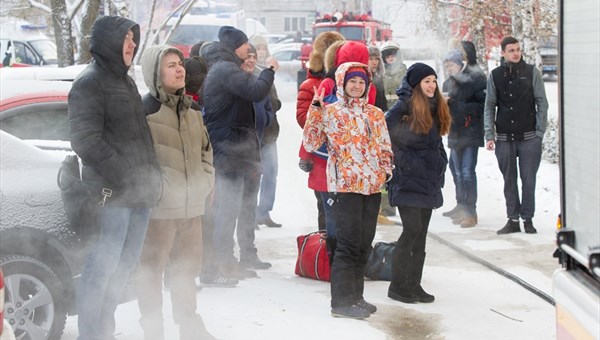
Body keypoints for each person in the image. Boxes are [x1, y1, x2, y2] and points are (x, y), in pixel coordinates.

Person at [67, 16, 162, 340]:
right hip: (111, 197)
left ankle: (104, 332)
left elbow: (138, 138)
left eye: (134, 39)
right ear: (109, 42)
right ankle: (91, 335)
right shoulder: (89, 82)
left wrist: (151, 179)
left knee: (121, 272)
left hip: (137, 197)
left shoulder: (125, 81)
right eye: (127, 39)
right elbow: (85, 140)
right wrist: (126, 177)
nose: (133, 45)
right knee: (101, 271)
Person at [136, 45, 216, 340]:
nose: (180, 69)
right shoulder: (145, 111)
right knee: (151, 272)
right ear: (155, 73)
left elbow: (207, 152)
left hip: (192, 208)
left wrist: (205, 181)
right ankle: (153, 329)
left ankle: (189, 326)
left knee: (186, 271)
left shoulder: (193, 110)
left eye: (180, 63)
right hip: (160, 211)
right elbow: (139, 161)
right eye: (171, 65)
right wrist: (158, 190)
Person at [303, 62, 393, 319]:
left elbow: (385, 146)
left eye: (361, 82)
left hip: (371, 187)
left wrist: (386, 170)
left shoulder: (375, 113)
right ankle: (341, 302)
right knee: (347, 244)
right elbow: (310, 142)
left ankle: (356, 297)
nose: (357, 86)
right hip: (344, 187)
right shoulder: (330, 112)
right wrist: (315, 110)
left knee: (364, 245)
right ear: (342, 83)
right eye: (352, 81)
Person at [200, 26, 278, 284]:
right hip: (227, 152)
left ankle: (229, 261)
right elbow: (256, 92)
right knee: (226, 211)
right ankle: (219, 266)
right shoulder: (225, 69)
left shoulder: (226, 67)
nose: (248, 49)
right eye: (245, 44)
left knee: (236, 208)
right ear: (236, 47)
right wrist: (269, 71)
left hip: (236, 151)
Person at [385, 63, 452, 304]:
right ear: (416, 84)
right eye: (427, 81)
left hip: (428, 179)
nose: (432, 85)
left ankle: (414, 284)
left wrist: (440, 160)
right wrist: (404, 161)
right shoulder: (404, 105)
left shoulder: (436, 106)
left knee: (421, 234)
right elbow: (385, 133)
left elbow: (436, 141)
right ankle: (397, 285)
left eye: (434, 80)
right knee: (411, 230)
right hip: (408, 179)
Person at [483, 36, 548, 235]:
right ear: (503, 53)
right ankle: (512, 219)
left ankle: (528, 218)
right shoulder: (495, 75)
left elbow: (542, 103)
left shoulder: (531, 72)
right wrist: (489, 134)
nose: (516, 53)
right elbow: (489, 106)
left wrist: (539, 132)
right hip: (504, 138)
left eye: (518, 49)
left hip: (529, 137)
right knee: (509, 180)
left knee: (529, 180)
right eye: (511, 50)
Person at [296, 31, 346, 232]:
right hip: (320, 156)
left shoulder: (353, 83)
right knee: (325, 210)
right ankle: (325, 255)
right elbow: (302, 118)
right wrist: (320, 112)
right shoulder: (311, 84)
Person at [441, 47, 487, 228]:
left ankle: (470, 211)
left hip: (470, 131)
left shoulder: (476, 79)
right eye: (446, 65)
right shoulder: (447, 83)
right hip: (454, 132)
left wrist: (455, 104)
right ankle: (461, 206)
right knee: (457, 171)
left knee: (467, 172)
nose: (448, 68)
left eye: (451, 64)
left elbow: (483, 106)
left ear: (460, 63)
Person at [250, 36, 283, 229]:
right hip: (254, 133)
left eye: (263, 49)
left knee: (271, 172)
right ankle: (250, 213)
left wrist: (271, 106)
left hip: (270, 132)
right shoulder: (247, 74)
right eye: (257, 49)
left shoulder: (267, 73)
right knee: (254, 174)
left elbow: (275, 100)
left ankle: (264, 211)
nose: (261, 53)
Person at [368, 45, 396, 225]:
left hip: (379, 128)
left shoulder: (380, 78)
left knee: (383, 168)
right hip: (364, 130)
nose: (374, 62)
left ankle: (383, 205)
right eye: (371, 58)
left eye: (376, 59)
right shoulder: (361, 79)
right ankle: (374, 207)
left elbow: (383, 105)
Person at [381, 41, 407, 108]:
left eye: (392, 56)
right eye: (388, 57)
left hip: (401, 106)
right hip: (385, 107)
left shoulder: (403, 71)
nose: (390, 58)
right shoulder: (382, 73)